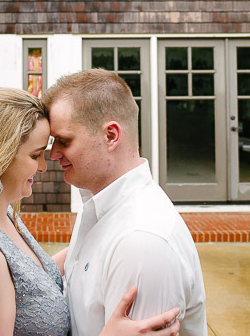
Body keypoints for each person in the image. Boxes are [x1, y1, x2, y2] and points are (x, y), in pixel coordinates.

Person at [0, 87, 180, 336]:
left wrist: (108, 235)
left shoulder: (3, 215)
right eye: (35, 156)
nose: (44, 167)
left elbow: (31, 280)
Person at [43, 69, 207, 336]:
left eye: (64, 141)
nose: (53, 154)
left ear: (110, 136)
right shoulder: (102, 208)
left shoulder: (142, 242)